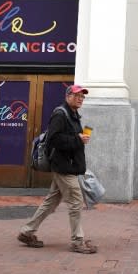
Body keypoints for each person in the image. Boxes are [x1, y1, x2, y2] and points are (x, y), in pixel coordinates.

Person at [17, 84, 97, 254]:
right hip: (63, 167)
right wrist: (77, 139)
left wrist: (79, 139)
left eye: (82, 97)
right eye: (77, 96)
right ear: (68, 96)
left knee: (50, 202)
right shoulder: (60, 114)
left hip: (68, 165)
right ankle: (77, 241)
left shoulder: (73, 114)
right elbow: (54, 140)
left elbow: (68, 139)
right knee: (76, 202)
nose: (80, 99)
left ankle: (27, 232)